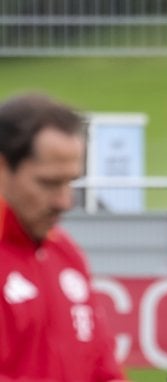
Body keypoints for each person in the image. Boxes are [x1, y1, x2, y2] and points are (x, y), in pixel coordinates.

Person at [0, 94, 126, 381]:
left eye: (70, 182)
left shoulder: (65, 253)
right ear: (3, 167)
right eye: (49, 183)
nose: (65, 201)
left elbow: (103, 370)